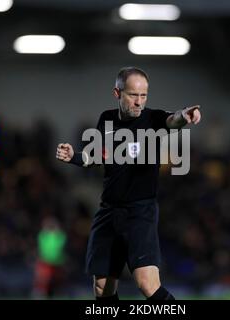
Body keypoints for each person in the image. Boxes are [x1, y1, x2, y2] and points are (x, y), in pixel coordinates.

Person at [56, 67, 201, 300]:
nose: (139, 102)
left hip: (139, 212)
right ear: (117, 93)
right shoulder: (107, 119)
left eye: (143, 95)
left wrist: (184, 115)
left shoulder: (152, 118)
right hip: (109, 211)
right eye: (133, 95)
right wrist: (74, 155)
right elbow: (97, 156)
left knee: (147, 284)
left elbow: (172, 120)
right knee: (102, 287)